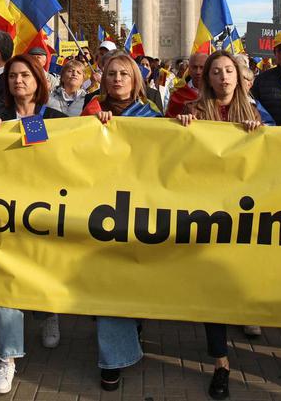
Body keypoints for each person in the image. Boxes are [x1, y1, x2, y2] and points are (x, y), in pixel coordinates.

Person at [176, 50, 262, 400]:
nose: (223, 76)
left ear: (238, 77)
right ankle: (221, 362)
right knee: (212, 288)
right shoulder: (193, 112)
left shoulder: (254, 113)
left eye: (229, 70)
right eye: (216, 71)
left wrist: (260, 135)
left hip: (243, 213)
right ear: (206, 78)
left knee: (234, 283)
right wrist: (181, 130)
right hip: (208, 213)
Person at [0, 54, 67, 394]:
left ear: (38, 80)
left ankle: (48, 313)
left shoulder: (55, 119)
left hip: (44, 213)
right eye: (12, 76)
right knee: (7, 283)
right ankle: (7, 357)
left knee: (41, 271)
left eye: (25, 75)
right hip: (6, 214)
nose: (18, 81)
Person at [82, 51, 158, 391]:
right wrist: (93, 130)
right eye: (111, 73)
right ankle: (112, 358)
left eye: (124, 74)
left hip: (140, 206)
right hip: (101, 208)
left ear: (135, 79)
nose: (117, 79)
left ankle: (131, 328)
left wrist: (183, 124)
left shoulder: (151, 114)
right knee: (108, 279)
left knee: (133, 278)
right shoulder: (91, 110)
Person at [165, 51, 207, 117]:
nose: (198, 72)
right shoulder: (178, 93)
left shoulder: (217, 92)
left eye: (202, 67)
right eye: (194, 67)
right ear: (189, 70)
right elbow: (169, 119)